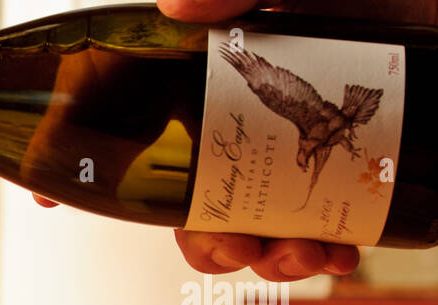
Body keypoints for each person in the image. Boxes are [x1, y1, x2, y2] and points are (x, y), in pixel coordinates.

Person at [34, 0, 438, 281]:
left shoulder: (304, 124)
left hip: (402, 76)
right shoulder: (312, 146)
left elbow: (272, 86)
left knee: (270, 93)